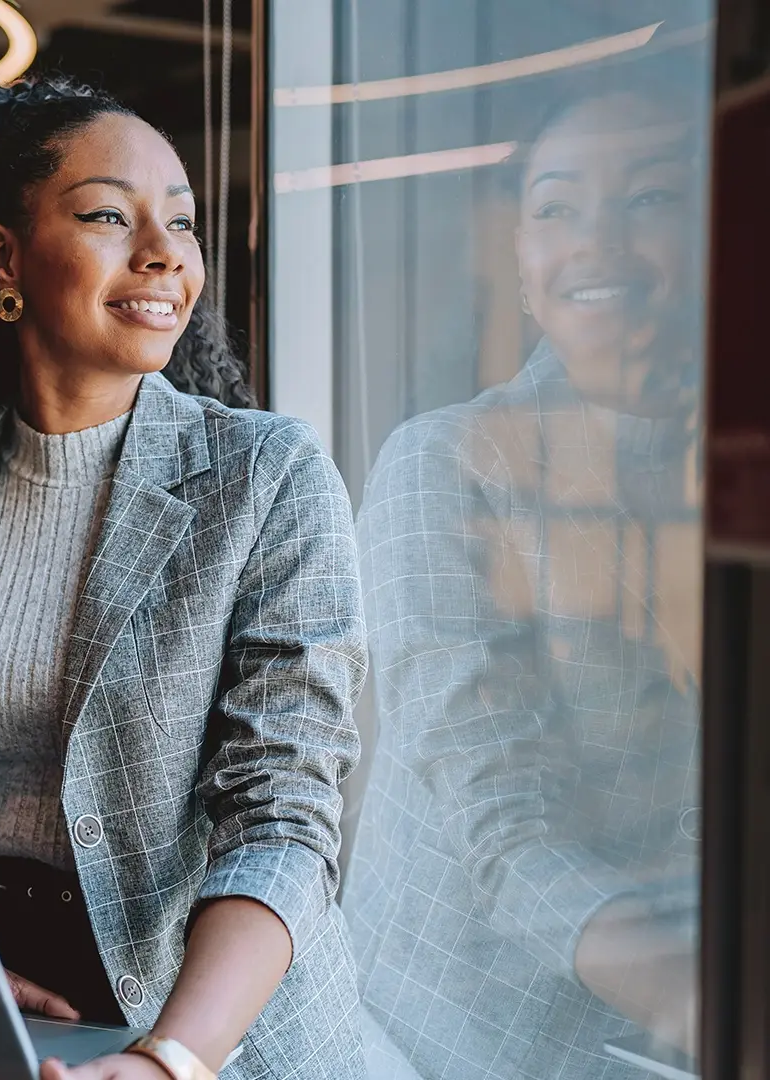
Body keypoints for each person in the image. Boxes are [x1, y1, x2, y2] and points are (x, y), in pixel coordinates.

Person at [0, 77, 368, 1080]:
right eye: (109, 214)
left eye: (181, 223)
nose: (165, 255)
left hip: (223, 1038)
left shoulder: (266, 478)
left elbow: (282, 812)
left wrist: (167, 1061)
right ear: (5, 257)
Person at [345, 74, 705, 1080]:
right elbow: (506, 834)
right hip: (452, 1046)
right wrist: (701, 999)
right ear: (521, 259)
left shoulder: (733, 473)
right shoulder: (447, 464)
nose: (597, 242)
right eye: (556, 207)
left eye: (651, 198)